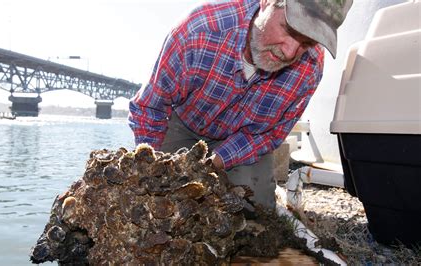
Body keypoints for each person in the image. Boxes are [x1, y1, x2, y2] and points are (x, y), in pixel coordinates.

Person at [128, 0, 353, 209]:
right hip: (184, 124)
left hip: (242, 137)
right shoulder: (198, 30)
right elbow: (150, 108)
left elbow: (271, 135)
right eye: (289, 30)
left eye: (307, 42)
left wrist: (217, 161)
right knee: (158, 196)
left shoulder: (310, 68)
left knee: (256, 208)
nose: (289, 52)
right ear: (266, 2)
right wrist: (150, 168)